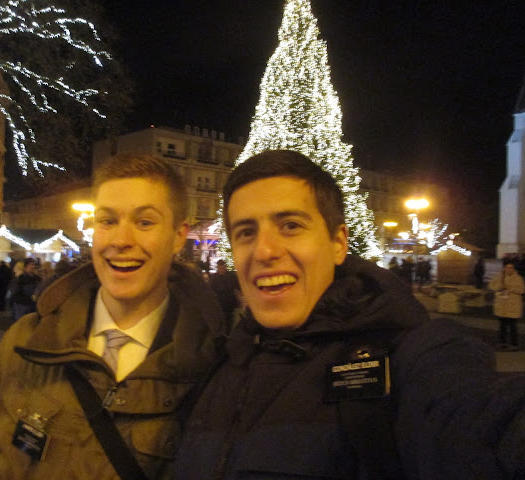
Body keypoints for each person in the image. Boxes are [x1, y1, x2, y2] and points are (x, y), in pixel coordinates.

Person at [176, 150, 525, 479]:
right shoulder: (219, 364)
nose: (264, 251)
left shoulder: (404, 356)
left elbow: (479, 416)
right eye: (246, 232)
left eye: (291, 225)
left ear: (338, 243)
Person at [0, 153, 224, 479]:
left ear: (179, 235)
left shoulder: (212, 366)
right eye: (107, 221)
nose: (121, 241)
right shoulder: (27, 339)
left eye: (145, 222)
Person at [489, 262, 524, 351]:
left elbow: (522, 290)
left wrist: (510, 289)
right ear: (504, 268)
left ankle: (514, 344)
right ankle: (502, 343)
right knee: (502, 326)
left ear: (514, 269)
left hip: (512, 306)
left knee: (513, 327)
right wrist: (500, 287)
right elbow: (491, 286)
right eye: (507, 267)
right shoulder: (498, 277)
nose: (509, 269)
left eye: (511, 268)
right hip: (501, 305)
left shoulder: (518, 278)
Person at [208, 259, 241, 332]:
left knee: (229, 320)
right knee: (222, 321)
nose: (221, 270)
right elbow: (211, 291)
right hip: (220, 303)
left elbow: (236, 288)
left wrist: (238, 299)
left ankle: (226, 333)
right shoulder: (214, 278)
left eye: (223, 268)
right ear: (217, 267)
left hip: (229, 303)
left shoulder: (230, 276)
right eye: (220, 268)